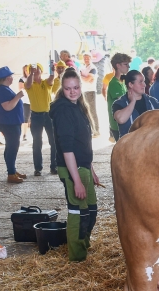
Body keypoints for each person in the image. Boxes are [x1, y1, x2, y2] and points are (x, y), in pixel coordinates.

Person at [49, 69, 100, 262]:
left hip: (83, 167)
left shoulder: (77, 105)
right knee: (78, 213)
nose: (73, 91)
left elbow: (83, 143)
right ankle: (77, 257)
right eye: (68, 88)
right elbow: (67, 148)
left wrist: (91, 169)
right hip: (72, 169)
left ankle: (83, 245)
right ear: (62, 88)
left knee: (91, 210)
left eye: (76, 87)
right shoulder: (63, 110)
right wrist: (76, 180)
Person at [0, 66, 26, 184]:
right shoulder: (2, 90)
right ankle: (11, 173)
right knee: (12, 147)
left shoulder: (4, 89)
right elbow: (7, 107)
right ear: (7, 78)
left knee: (11, 147)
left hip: (11, 122)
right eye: (11, 76)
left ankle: (12, 170)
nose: (12, 78)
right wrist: (18, 96)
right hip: (8, 123)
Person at [24, 63, 57, 175]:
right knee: (37, 142)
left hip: (48, 115)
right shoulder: (29, 84)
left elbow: (51, 79)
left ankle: (54, 166)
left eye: (38, 69)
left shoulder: (45, 83)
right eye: (32, 70)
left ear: (42, 71)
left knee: (53, 141)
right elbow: (28, 84)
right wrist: (31, 74)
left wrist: (52, 71)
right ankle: (38, 168)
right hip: (36, 116)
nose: (35, 71)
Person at [112, 70, 159, 139]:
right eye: (140, 82)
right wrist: (132, 102)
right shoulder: (119, 103)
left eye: (144, 81)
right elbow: (121, 119)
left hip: (151, 144)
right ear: (130, 85)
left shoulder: (152, 101)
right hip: (129, 146)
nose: (144, 85)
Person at [106, 52, 131, 142]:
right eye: (125, 64)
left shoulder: (122, 82)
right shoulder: (114, 83)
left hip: (124, 121)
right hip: (118, 124)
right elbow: (124, 102)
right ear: (118, 65)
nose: (128, 67)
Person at [80, 53, 100, 137]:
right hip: (84, 91)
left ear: (91, 59)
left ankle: (96, 131)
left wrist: (82, 76)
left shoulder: (93, 68)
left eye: (88, 58)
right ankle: (91, 130)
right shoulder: (83, 67)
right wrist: (84, 77)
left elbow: (88, 79)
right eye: (85, 58)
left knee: (92, 111)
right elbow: (86, 79)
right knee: (86, 112)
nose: (86, 59)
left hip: (91, 91)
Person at [18, 65, 32, 142]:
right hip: (26, 101)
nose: (27, 72)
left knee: (32, 118)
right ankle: (24, 134)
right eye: (26, 70)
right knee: (25, 118)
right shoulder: (22, 79)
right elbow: (21, 88)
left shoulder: (33, 78)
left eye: (28, 70)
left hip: (33, 101)